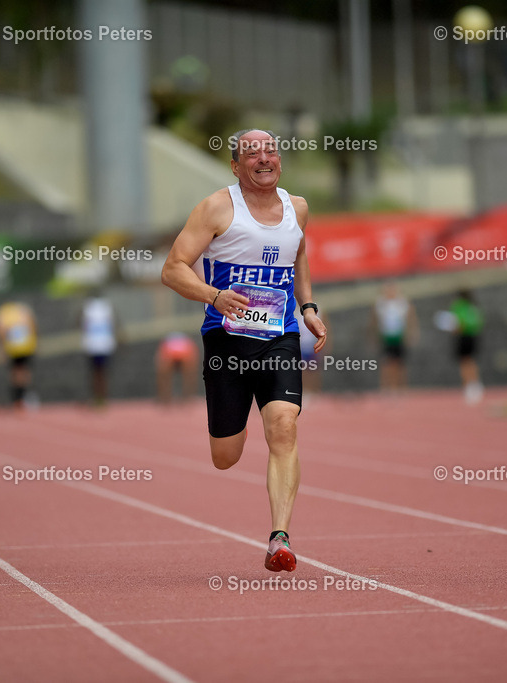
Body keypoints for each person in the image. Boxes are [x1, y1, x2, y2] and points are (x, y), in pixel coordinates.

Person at [161, 129, 327, 572]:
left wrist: (307, 306)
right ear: (236, 165)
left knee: (284, 427)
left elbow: (299, 255)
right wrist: (213, 296)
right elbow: (172, 269)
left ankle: (280, 539)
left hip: (280, 336)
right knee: (225, 456)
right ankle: (236, 418)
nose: (264, 158)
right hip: (226, 341)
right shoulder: (218, 207)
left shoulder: (298, 208)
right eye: (252, 153)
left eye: (270, 150)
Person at [0, 301, 38, 409]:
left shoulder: (4, 314)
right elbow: (33, 326)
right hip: (23, 347)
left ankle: (19, 398)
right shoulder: (22, 311)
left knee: (18, 373)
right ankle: (20, 398)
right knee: (21, 373)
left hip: (16, 348)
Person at [371, 281, 418, 391]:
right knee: (387, 362)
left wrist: (411, 332)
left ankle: (401, 386)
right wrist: (374, 334)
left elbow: (410, 318)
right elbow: (374, 320)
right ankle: (386, 386)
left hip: (399, 336)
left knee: (400, 362)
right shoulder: (380, 304)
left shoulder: (402, 303)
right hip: (386, 337)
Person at [80, 291, 117, 406]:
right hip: (102, 345)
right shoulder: (106, 307)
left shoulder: (88, 307)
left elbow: (79, 322)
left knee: (97, 373)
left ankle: (100, 398)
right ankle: (101, 398)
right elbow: (114, 323)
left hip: (96, 345)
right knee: (101, 373)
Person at [451, 289, 484, 404]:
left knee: (464, 362)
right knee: (471, 361)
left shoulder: (459, 306)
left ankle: (467, 386)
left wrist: (454, 329)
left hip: (463, 336)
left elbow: (459, 323)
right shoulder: (472, 306)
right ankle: (475, 384)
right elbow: (479, 322)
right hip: (473, 336)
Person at [156, 331, 199, 404]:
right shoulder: (168, 348)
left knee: (164, 376)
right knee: (189, 375)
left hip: (183, 352)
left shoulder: (187, 347)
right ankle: (186, 397)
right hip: (173, 352)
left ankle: (167, 398)